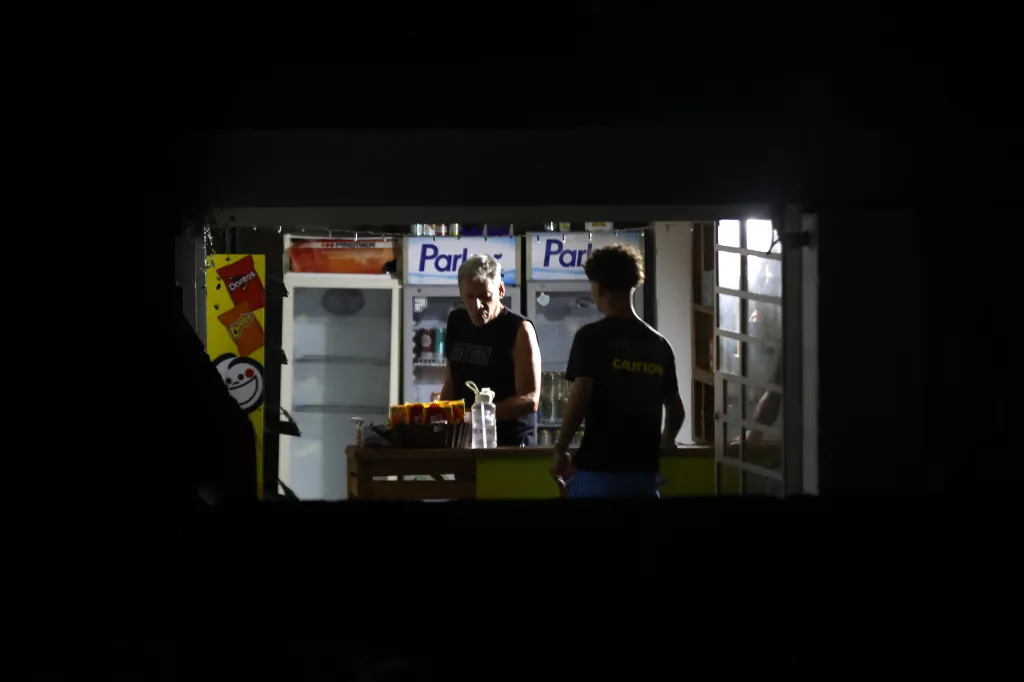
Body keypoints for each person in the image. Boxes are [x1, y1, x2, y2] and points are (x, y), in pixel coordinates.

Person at [551, 244, 685, 499]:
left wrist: (560, 448)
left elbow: (580, 398)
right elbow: (676, 411)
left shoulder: (591, 337)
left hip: (598, 475)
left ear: (599, 287)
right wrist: (665, 442)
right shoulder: (659, 344)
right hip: (644, 480)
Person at [440, 254, 541, 446]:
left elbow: (530, 399)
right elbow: (450, 383)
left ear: (501, 290)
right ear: (461, 294)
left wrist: (477, 416)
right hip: (466, 441)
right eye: (469, 297)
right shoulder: (456, 321)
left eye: (484, 297)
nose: (476, 306)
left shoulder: (519, 329)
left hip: (510, 444)